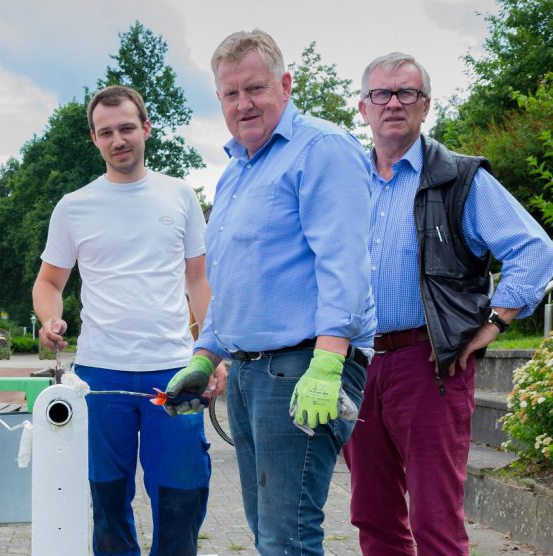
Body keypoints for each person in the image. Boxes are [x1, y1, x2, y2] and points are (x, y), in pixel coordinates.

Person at [164, 29, 376, 554]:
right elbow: (232, 278)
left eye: (255, 88)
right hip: (247, 371)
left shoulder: (323, 149)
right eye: (231, 94)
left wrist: (328, 363)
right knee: (267, 533)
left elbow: (344, 264)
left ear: (285, 84)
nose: (244, 104)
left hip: (305, 367)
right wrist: (204, 354)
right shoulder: (235, 172)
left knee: (288, 537)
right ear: (219, 100)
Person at [342, 52, 553, 555]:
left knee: (436, 519)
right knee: (371, 515)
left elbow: (535, 249)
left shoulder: (460, 178)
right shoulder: (344, 183)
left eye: (406, 93)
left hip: (429, 363)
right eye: (381, 94)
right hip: (355, 363)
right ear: (363, 108)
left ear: (426, 106)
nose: (393, 103)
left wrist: (494, 323)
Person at [33, 85, 216, 556]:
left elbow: (198, 281)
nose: (119, 140)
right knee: (108, 500)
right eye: (107, 132)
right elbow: (48, 283)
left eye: (127, 128)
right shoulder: (73, 207)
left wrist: (212, 351)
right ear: (94, 138)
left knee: (182, 498)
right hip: (100, 376)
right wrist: (50, 319)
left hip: (175, 371)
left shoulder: (179, 196)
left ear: (146, 128)